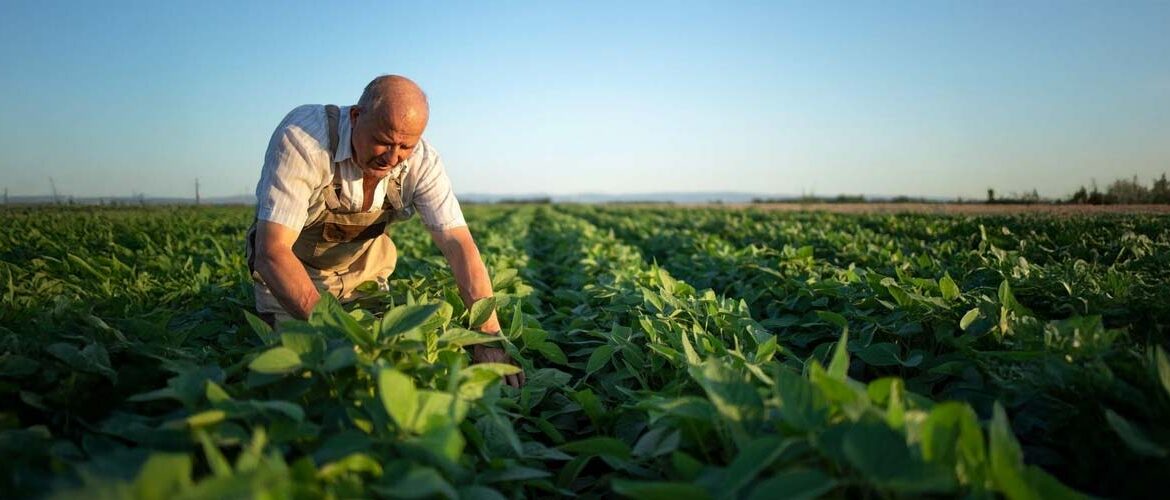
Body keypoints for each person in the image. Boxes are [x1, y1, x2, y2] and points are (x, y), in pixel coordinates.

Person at [246, 75, 524, 387]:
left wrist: (487, 338)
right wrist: (342, 336)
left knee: (402, 366)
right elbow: (271, 253)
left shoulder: (423, 162)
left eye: (406, 146)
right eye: (384, 141)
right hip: (292, 277)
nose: (392, 157)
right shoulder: (304, 139)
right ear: (355, 116)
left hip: (364, 277)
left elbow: (459, 246)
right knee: (305, 373)